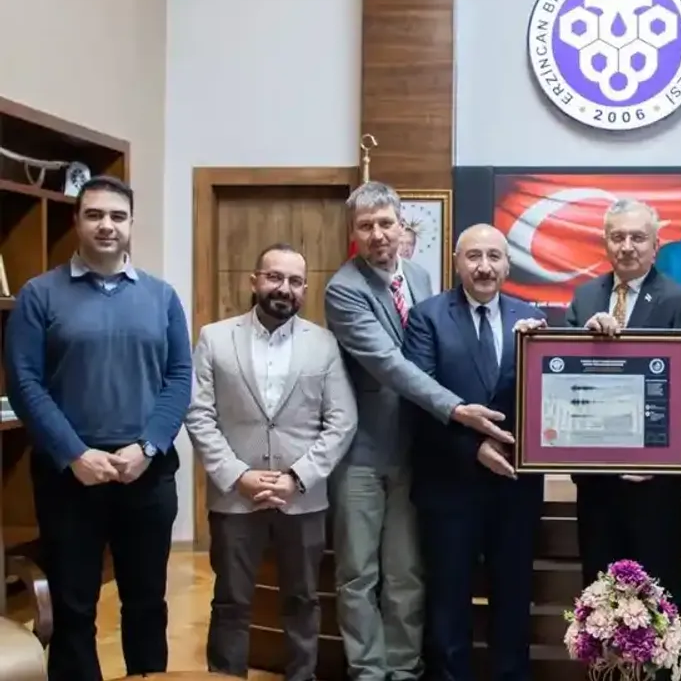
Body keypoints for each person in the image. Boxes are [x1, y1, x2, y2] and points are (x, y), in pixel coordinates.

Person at [3, 175, 192, 681]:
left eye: (117, 216)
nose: (106, 225)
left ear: (131, 224)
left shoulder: (161, 297)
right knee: (73, 607)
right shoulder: (39, 295)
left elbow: (179, 378)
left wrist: (147, 447)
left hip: (146, 475)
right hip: (69, 477)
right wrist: (74, 454)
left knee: (147, 603)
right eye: (95, 215)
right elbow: (24, 383)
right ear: (77, 221)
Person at [324, 181, 511, 680]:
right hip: (364, 453)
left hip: (419, 452)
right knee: (358, 574)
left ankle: (404, 668)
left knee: (407, 571)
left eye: (386, 223)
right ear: (354, 233)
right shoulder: (344, 289)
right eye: (366, 226)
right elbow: (391, 365)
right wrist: (458, 410)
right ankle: (369, 671)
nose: (378, 235)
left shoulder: (421, 276)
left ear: (401, 225)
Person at [185, 243, 357, 681]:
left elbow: (342, 421)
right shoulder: (214, 337)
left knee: (303, 601)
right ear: (255, 281)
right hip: (234, 498)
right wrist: (237, 475)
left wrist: (297, 477)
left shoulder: (324, 344)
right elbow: (198, 414)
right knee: (231, 602)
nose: (284, 288)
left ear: (305, 289)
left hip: (302, 499)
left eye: (295, 281)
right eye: (274, 277)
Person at [402, 224, 546, 681]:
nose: (484, 267)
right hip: (450, 485)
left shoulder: (533, 319)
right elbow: (419, 398)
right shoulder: (427, 317)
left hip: (515, 488)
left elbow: (550, 399)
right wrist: (472, 448)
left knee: (513, 599)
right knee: (448, 602)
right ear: (456, 262)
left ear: (508, 264)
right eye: (474, 256)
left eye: (494, 256)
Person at [562, 198, 681, 609]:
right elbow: (564, 380)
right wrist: (582, 344)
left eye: (637, 237)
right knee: (599, 593)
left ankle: (659, 655)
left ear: (656, 245)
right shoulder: (585, 297)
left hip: (653, 481)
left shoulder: (680, 299)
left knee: (657, 594)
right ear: (605, 242)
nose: (626, 246)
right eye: (617, 236)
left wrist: (661, 458)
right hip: (595, 478)